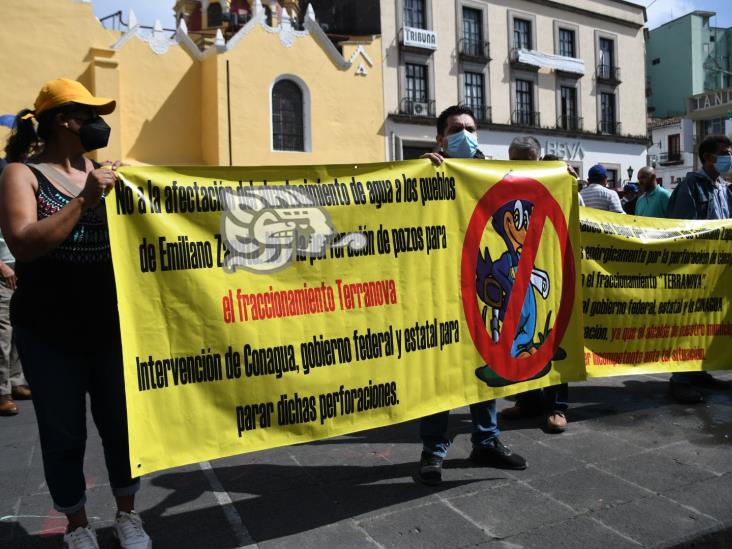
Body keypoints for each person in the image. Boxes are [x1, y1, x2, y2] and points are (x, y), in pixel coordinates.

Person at [0, 79, 151, 548]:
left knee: (122, 429)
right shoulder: (21, 175)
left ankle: (127, 515)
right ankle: (78, 526)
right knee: (63, 433)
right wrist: (85, 198)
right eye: (89, 114)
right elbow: (24, 242)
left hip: (107, 326)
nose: (97, 123)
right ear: (65, 120)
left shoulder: (102, 171)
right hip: (49, 331)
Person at [417, 105, 526, 486]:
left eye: (470, 128)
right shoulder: (427, 170)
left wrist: (559, 178)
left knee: (484, 366)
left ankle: (487, 441)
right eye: (456, 129)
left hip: (482, 291)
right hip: (440, 291)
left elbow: (526, 199)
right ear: (440, 138)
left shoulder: (494, 173)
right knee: (440, 376)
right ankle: (433, 450)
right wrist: (419, 172)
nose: (465, 133)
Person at [498, 146, 571, 433]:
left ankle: (557, 406)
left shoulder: (556, 181)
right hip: (517, 274)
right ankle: (528, 400)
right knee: (521, 339)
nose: (522, 166)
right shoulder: (503, 184)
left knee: (552, 338)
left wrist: (566, 179)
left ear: (538, 160)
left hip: (550, 267)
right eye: (516, 160)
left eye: (527, 161)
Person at [665, 135, 732, 404]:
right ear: (708, 158)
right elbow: (681, 228)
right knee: (689, 324)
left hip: (719, 269)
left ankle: (698, 371)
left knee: (707, 324)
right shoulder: (691, 185)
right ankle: (679, 380)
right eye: (725, 153)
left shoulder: (723, 187)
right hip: (696, 268)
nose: (729, 158)